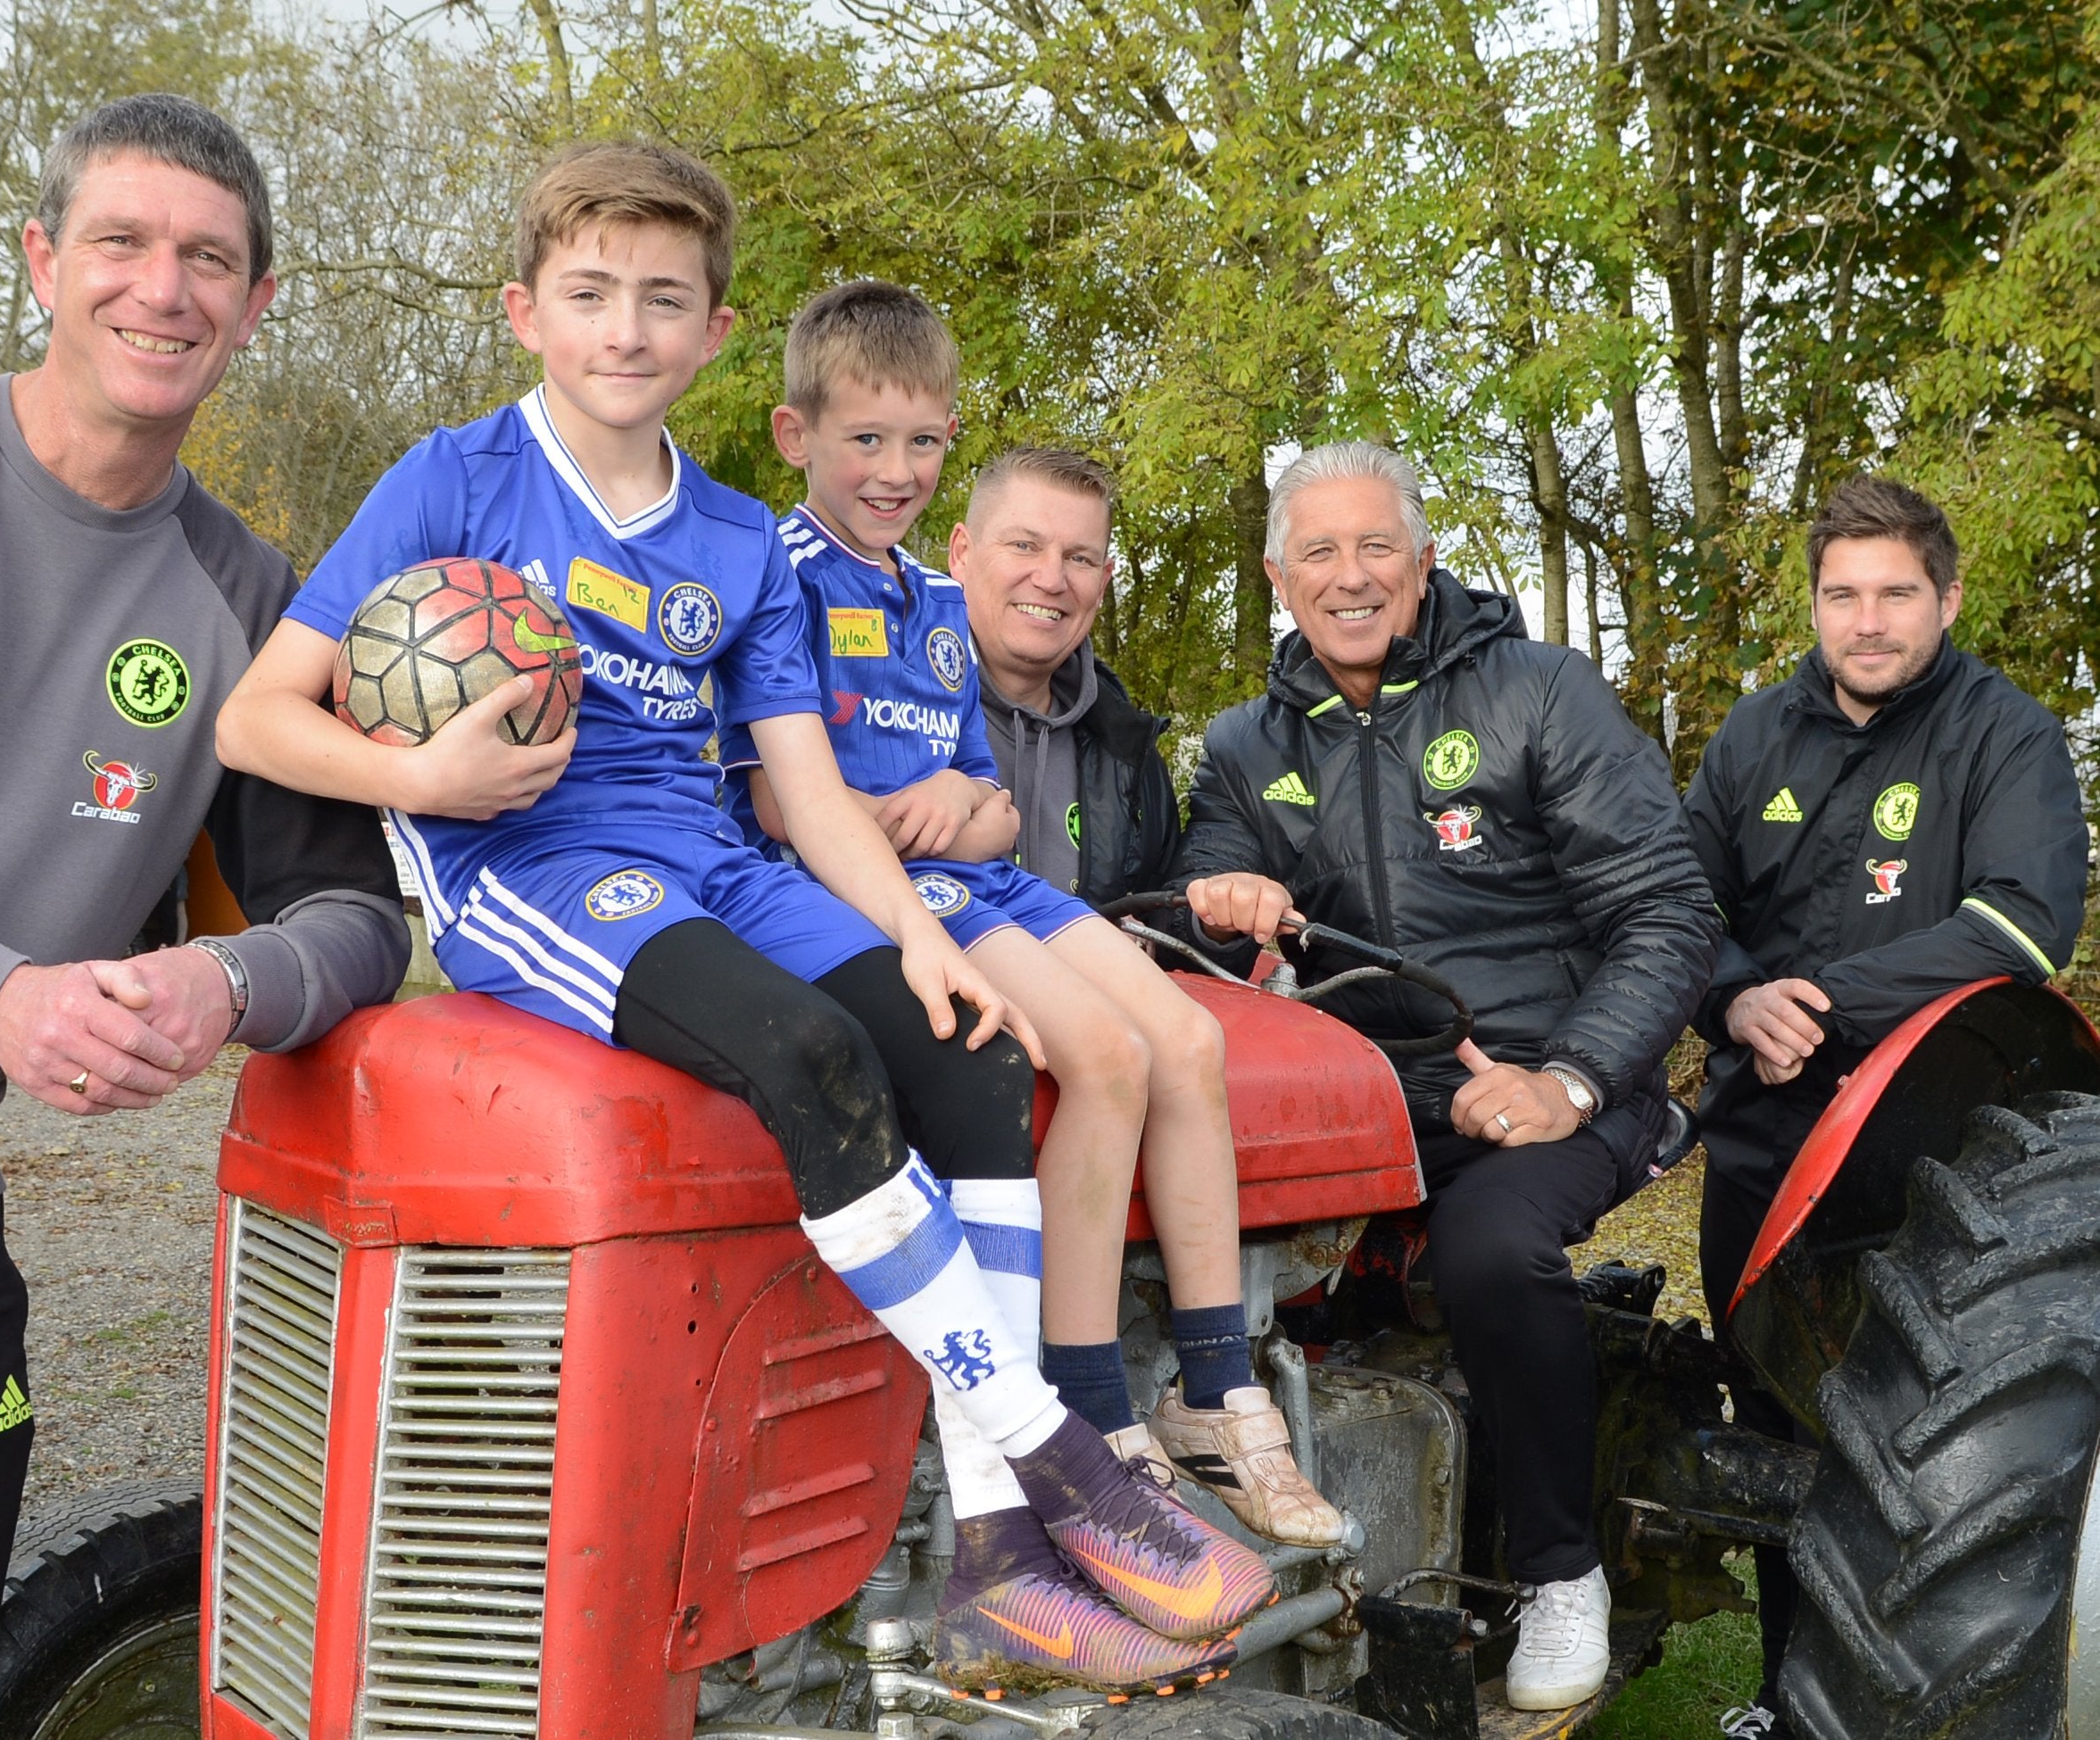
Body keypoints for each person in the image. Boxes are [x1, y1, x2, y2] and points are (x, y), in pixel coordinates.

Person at [215, 146, 1274, 1699]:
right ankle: (1058, 1459)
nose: (624, 329)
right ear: (525, 312)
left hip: (713, 860)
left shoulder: (731, 539)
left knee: (972, 1050)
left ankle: (995, 1562)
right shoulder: (453, 481)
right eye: (590, 294)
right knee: (812, 1053)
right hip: (540, 871)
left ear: (713, 332)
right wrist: (416, 778)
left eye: (662, 299)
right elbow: (253, 719)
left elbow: (808, 789)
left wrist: (918, 931)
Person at [0, 94, 410, 1737]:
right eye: (121, 241)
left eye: (210, 260)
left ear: (256, 306)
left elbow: (353, 917)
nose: (161, 289)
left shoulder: (251, 598)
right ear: (45, 262)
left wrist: (223, 982)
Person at [730, 281, 1343, 1561]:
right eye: (868, 440)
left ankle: (1217, 1388)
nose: (894, 469)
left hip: (983, 876)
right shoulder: (774, 575)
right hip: (876, 891)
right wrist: (897, 816)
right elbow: (776, 799)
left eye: (921, 442)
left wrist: (962, 803)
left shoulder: (933, 611)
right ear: (800, 436)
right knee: (1106, 1056)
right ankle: (1090, 1407)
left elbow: (995, 811)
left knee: (1192, 1042)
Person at [1171, 440, 1719, 1712]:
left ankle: (1561, 1571)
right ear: (1279, 579)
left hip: (1562, 1085)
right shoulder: (1246, 745)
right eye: (1319, 552)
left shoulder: (1541, 691)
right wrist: (1220, 904)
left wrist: (1567, 1079)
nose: (1350, 575)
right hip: (1365, 1110)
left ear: (1423, 564)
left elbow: (1668, 911)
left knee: (1488, 1248)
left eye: (1377, 547)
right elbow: (1197, 925)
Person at [1683, 476, 2087, 1740]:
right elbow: (1679, 910)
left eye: (1896, 593)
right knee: (1777, 1418)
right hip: (1764, 1142)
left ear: (1947, 599)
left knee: (1912, 1444)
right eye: (1842, 594)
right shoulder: (1753, 735)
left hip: (1942, 1156)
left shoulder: (2006, 735)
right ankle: (1781, 1697)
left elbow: (2023, 927)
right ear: (1814, 604)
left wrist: (1817, 998)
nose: (1867, 621)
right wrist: (1739, 1001)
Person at [952, 447, 1178, 904]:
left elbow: (1168, 916)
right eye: (1024, 546)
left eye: (1079, 559)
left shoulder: (1128, 753)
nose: (1052, 579)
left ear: (1103, 582)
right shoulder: (884, 719)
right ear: (962, 554)